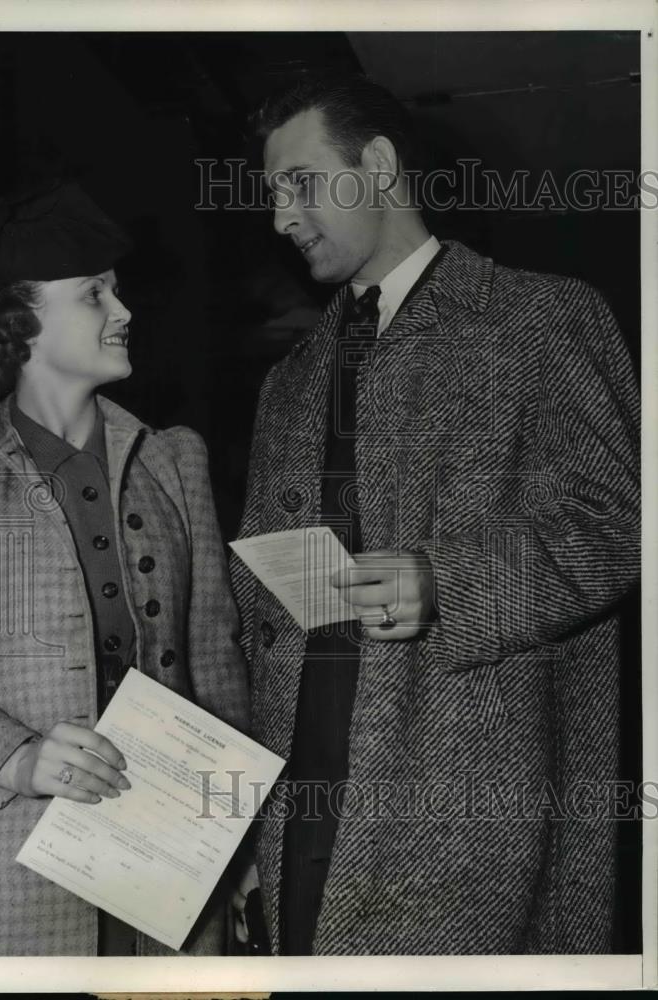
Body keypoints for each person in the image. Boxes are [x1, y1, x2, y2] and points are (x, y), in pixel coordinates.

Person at [230, 73, 640, 955]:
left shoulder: (542, 318)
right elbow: (261, 621)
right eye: (270, 194)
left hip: (468, 822)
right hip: (305, 812)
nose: (278, 216)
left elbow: (621, 522)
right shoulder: (288, 381)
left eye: (298, 182)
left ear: (376, 165)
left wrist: (449, 585)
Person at [0, 181, 249, 956]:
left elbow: (215, 667)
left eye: (116, 290)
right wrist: (13, 755)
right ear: (20, 325)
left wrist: (237, 843)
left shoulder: (174, 460)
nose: (123, 311)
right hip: (11, 879)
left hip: (169, 875)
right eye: (93, 295)